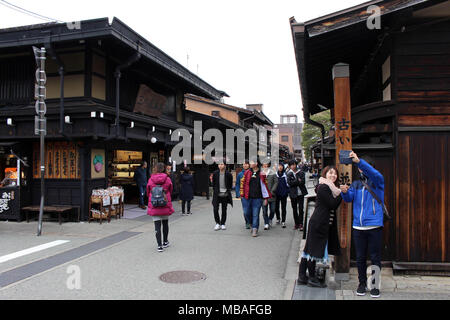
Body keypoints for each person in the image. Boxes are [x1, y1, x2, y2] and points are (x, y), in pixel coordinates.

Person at [340, 152, 384, 298]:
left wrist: (359, 162)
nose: (361, 170)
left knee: (375, 257)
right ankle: (362, 284)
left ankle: (375, 285)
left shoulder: (378, 182)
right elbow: (348, 199)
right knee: (360, 257)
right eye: (359, 167)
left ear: (370, 168)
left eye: (364, 167)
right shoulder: (356, 184)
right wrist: (344, 192)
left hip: (374, 226)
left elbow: (374, 174)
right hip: (358, 227)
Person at [297, 166, 342, 288]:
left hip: (319, 222)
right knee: (314, 251)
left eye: (335, 174)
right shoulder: (324, 187)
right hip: (319, 223)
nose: (333, 176)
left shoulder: (329, 187)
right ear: (325, 174)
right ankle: (312, 278)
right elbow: (332, 204)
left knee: (309, 249)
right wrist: (341, 194)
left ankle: (302, 276)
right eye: (330, 173)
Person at [147, 162, 174, 252]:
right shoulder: (167, 179)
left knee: (157, 225)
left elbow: (148, 191)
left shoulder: (151, 179)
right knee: (165, 223)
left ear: (155, 168)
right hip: (165, 203)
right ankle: (165, 242)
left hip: (154, 204)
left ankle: (159, 246)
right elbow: (171, 189)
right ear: (163, 169)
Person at [240, 159, 271, 237]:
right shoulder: (247, 172)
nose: (250, 164)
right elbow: (242, 183)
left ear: (256, 163)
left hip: (258, 198)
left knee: (255, 214)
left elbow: (265, 186)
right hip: (247, 197)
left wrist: (266, 198)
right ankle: (251, 223)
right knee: (246, 212)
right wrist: (242, 194)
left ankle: (255, 229)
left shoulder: (262, 173)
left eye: (252, 162)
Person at [286, 159, 308, 231]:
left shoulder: (301, 172)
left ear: (296, 165)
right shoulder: (289, 174)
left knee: (301, 209)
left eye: (294, 164)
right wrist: (297, 181)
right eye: (291, 165)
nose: (293, 166)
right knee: (294, 209)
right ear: (289, 166)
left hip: (301, 193)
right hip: (293, 194)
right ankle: (296, 223)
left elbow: (303, 182)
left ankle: (301, 223)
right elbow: (290, 183)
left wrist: (295, 182)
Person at [211, 162, 233, 231]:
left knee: (224, 209)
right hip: (217, 194)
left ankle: (223, 223)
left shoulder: (228, 174)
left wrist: (227, 190)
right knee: (215, 209)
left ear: (225, 165)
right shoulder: (215, 173)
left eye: (222, 164)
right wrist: (216, 190)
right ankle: (217, 223)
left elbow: (230, 184)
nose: (220, 166)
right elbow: (213, 183)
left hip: (225, 194)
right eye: (219, 164)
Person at [261, 161, 278, 230]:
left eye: (266, 164)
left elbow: (276, 182)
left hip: (272, 194)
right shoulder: (260, 173)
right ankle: (266, 223)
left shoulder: (272, 172)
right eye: (264, 164)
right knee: (264, 210)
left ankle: (270, 218)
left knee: (273, 210)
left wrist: (272, 191)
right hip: (263, 196)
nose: (265, 165)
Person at [235, 160, 251, 229]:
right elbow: (237, 184)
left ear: (249, 165)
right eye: (244, 164)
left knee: (251, 209)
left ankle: (251, 221)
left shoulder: (252, 173)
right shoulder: (240, 174)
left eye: (247, 164)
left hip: (251, 194)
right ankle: (247, 222)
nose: (245, 165)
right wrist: (238, 193)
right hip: (243, 195)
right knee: (245, 211)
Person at [274, 163, 290, 228]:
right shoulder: (275, 174)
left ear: (283, 167)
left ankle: (283, 221)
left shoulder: (285, 175)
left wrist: (287, 192)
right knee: (276, 207)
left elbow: (288, 184)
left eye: (281, 166)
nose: (280, 167)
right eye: (279, 166)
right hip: (276, 194)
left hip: (284, 194)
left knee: (283, 208)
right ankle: (278, 218)